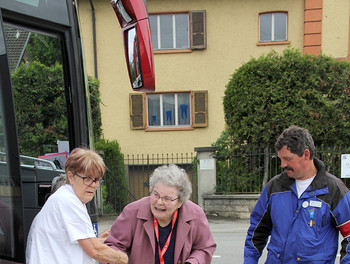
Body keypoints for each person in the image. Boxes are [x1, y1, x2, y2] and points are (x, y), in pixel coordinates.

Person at [244, 125, 350, 263]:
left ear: (306, 154)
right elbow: (256, 232)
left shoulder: (334, 190)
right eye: (281, 159)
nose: (282, 164)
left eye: (288, 159)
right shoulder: (275, 187)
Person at [26, 148, 128, 264]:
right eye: (87, 179)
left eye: (97, 179)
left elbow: (73, 244)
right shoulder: (68, 201)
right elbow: (95, 251)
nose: (93, 185)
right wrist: (127, 259)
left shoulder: (68, 198)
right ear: (70, 177)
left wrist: (98, 240)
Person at [101, 164, 216, 264]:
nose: (159, 202)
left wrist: (193, 262)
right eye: (156, 194)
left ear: (180, 202)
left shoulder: (195, 214)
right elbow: (112, 245)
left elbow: (204, 247)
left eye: (167, 198)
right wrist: (119, 259)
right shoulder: (132, 212)